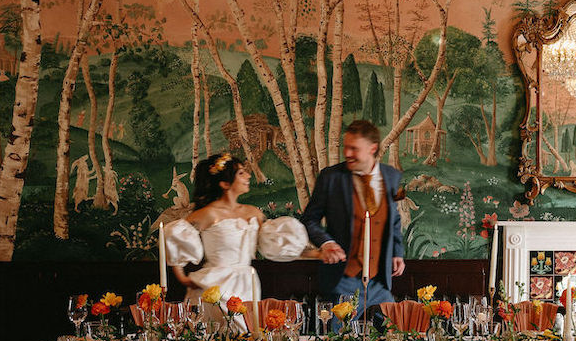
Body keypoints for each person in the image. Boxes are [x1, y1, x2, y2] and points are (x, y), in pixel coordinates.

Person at [163, 153, 310, 304]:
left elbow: (278, 241)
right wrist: (184, 279)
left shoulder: (253, 213)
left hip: (247, 283)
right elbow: (175, 237)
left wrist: (317, 253)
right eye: (241, 173)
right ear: (225, 184)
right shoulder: (207, 214)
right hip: (213, 286)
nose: (248, 176)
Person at [301, 120, 405, 316]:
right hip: (342, 281)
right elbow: (309, 220)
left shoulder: (391, 176)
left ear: (372, 148)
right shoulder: (330, 177)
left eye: (354, 148)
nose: (347, 153)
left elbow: (394, 219)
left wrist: (397, 252)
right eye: (345, 147)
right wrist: (326, 243)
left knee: (393, 339)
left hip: (380, 282)